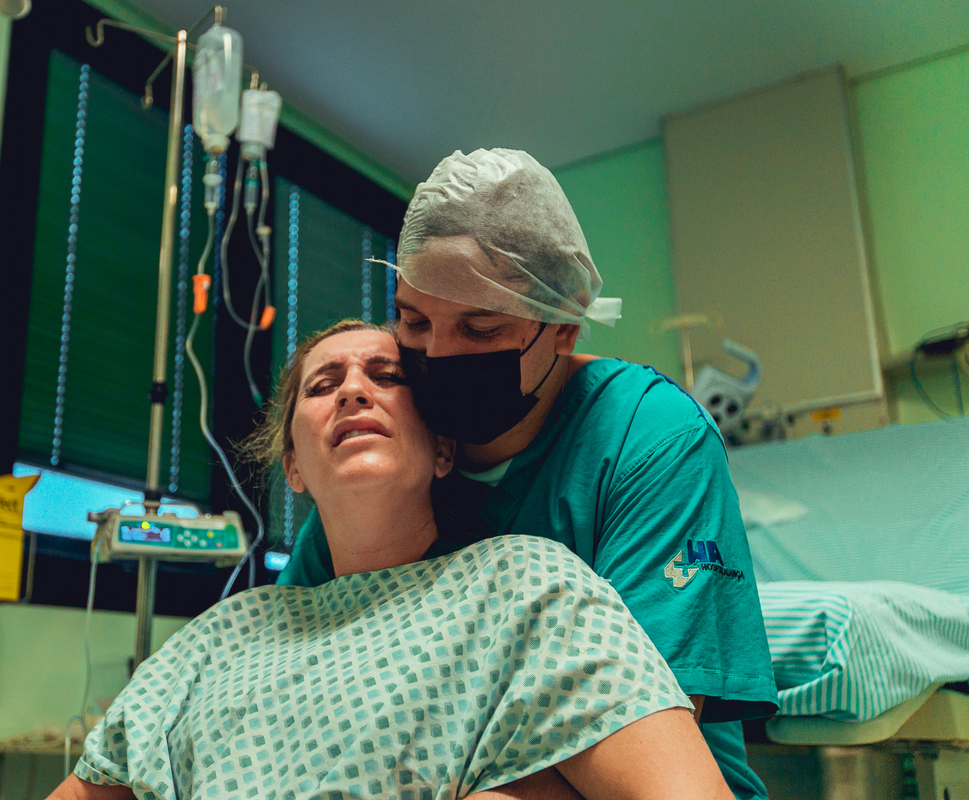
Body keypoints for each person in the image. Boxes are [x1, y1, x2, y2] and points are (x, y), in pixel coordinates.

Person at [50, 321, 736, 800]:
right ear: (292, 466)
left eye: (386, 376)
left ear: (444, 450)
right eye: (322, 387)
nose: (353, 391)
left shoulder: (529, 590)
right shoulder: (222, 635)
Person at [276, 150, 780, 799]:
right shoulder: (396, 449)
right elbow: (288, 672)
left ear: (564, 325)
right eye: (414, 322)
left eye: (481, 328)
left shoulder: (648, 438)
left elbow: (637, 739)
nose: (438, 354)